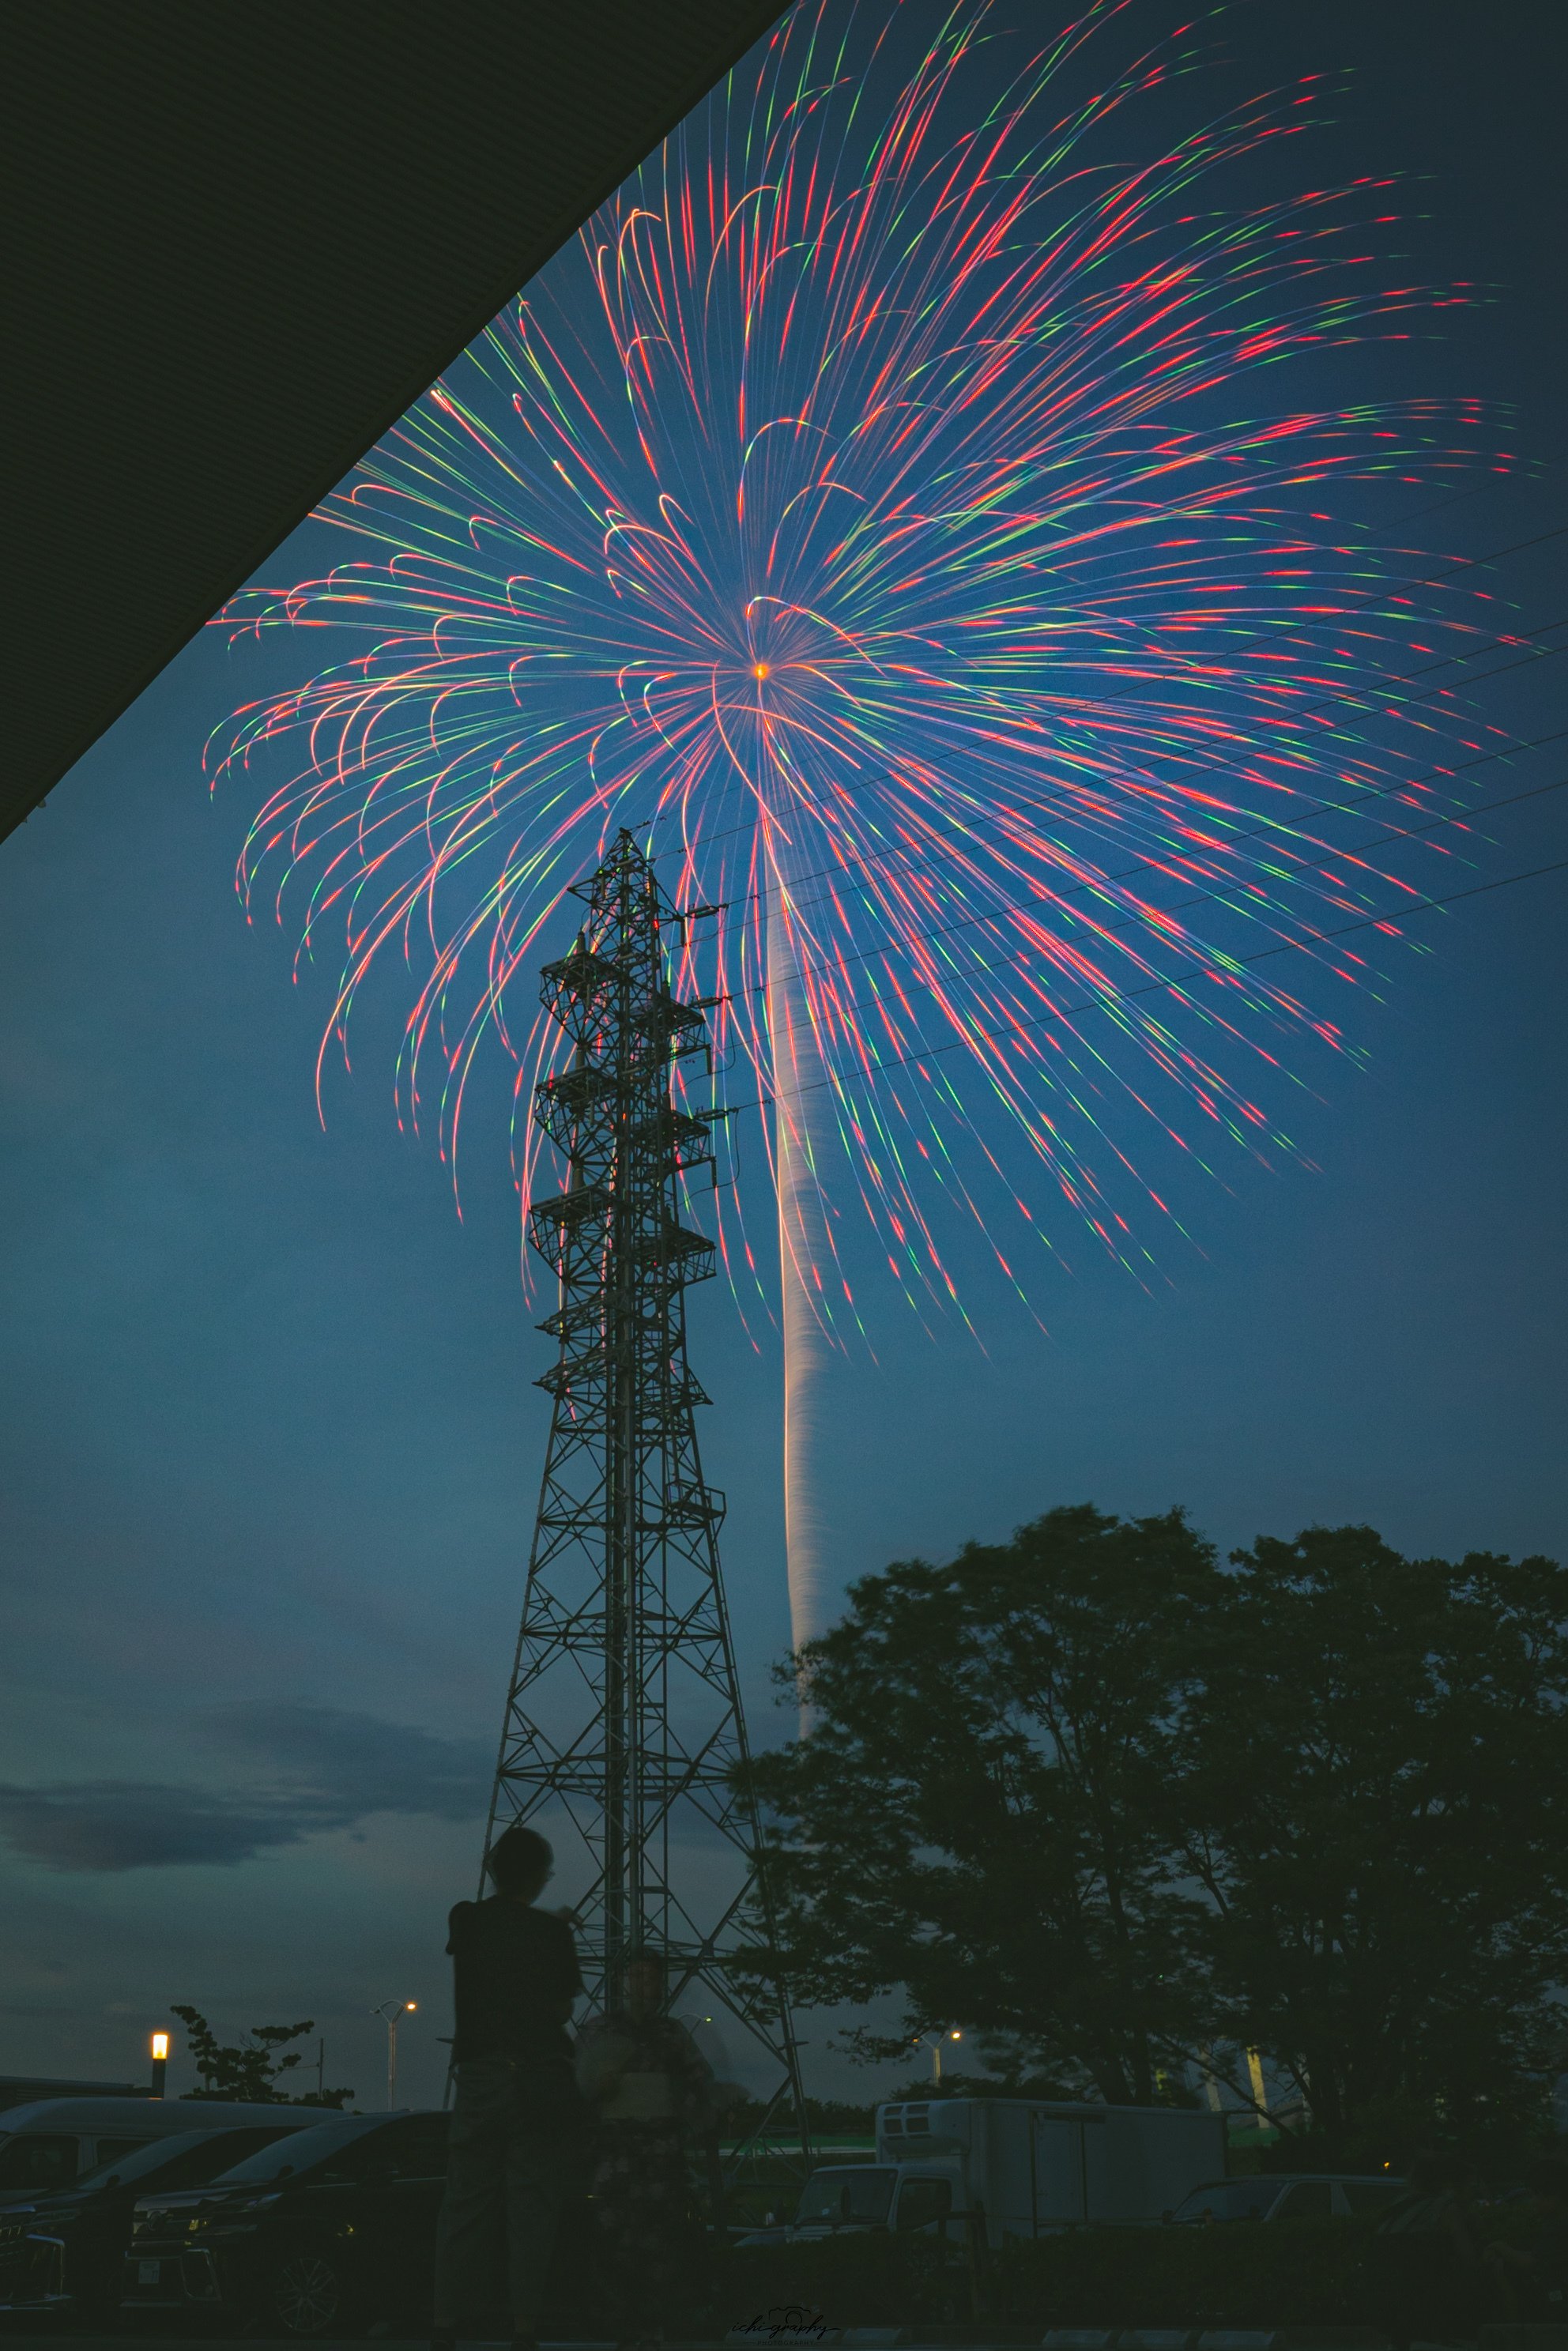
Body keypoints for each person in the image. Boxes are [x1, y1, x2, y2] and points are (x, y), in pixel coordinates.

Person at [431, 1824, 586, 2351]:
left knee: (464, 2204)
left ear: (494, 1870)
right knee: (532, 2207)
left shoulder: (466, 1919)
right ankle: (525, 2329)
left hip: (480, 2078)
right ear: (539, 1876)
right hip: (537, 2079)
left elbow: (488, 1934)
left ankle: (446, 2324)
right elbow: (560, 2008)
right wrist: (552, 1929)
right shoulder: (553, 1935)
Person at [574, 1950, 726, 2349]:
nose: (644, 1986)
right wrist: (598, 2089)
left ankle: (652, 2329)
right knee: (614, 2244)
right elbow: (574, 2093)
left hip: (660, 2157)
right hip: (615, 2155)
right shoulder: (598, 2031)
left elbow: (699, 2084)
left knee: (660, 2244)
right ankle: (620, 2328)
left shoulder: (672, 2035)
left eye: (651, 1978)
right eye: (637, 1977)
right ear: (623, 1983)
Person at [1370, 2149, 1484, 2349]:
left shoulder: (1395, 2207)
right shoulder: (1444, 2208)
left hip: (1385, 2299)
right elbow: (1468, 2258)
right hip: (1429, 2301)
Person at [1485, 2156, 1568, 2319]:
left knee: (1503, 2268)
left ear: (1554, 2195)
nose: (1533, 2202)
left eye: (1536, 2195)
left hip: (1558, 2299)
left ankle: (1516, 2327)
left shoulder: (1557, 2227)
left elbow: (1531, 2264)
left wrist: (1500, 2247)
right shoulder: (1558, 2223)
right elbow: (1541, 2256)